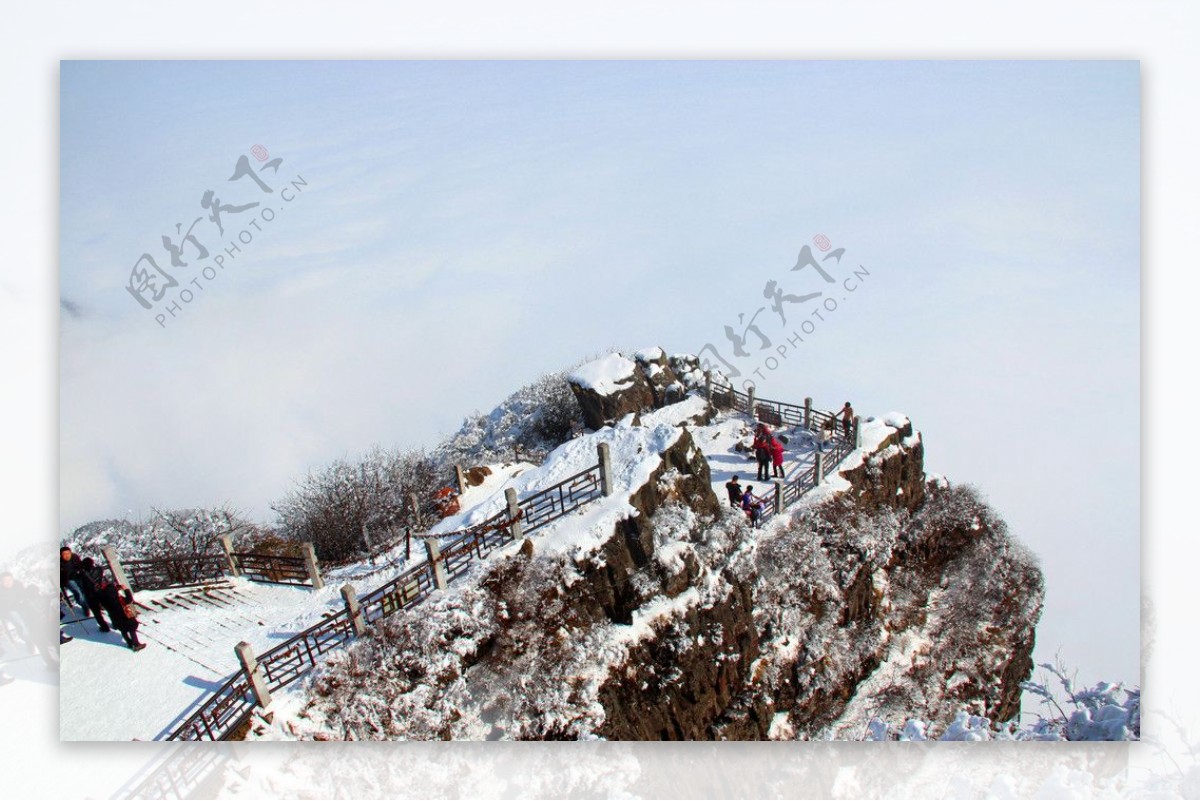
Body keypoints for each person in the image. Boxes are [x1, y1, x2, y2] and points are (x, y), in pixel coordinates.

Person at [95, 574, 145, 651]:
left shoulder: (104, 600)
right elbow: (129, 599)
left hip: (116, 619)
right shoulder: (120, 600)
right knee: (131, 629)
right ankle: (136, 644)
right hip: (126, 617)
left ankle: (129, 643)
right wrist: (126, 590)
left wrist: (100, 590)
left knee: (123, 630)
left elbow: (101, 595)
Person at [76, 557, 112, 633]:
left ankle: (104, 627)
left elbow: (78, 580)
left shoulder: (82, 574)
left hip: (90, 595)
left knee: (97, 612)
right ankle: (115, 623)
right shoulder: (99, 569)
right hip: (100, 592)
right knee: (109, 608)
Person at [59, 546, 88, 613]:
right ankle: (84, 605)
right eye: (64, 554)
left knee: (85, 590)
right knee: (77, 592)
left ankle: (88, 603)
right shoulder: (60, 563)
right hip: (68, 580)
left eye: (68, 553)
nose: (67, 556)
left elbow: (81, 566)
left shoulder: (75, 557)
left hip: (78, 576)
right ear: (61, 555)